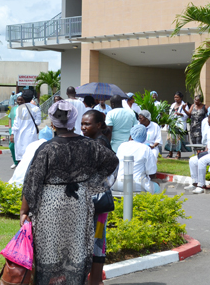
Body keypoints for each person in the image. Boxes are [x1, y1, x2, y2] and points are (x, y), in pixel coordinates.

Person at [20, 101, 118, 285]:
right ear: (74, 122)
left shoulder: (46, 148)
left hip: (50, 207)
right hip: (79, 204)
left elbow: (32, 182)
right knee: (76, 252)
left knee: (49, 253)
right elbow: (112, 162)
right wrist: (89, 184)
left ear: (52, 124)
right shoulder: (90, 146)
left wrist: (24, 211)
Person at [81, 110, 117, 285]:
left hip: (98, 204)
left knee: (97, 240)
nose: (83, 127)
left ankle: (95, 280)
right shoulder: (95, 142)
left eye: (87, 124)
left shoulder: (100, 144)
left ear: (99, 125)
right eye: (82, 123)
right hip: (95, 202)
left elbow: (112, 167)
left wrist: (99, 186)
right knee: (95, 240)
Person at [114, 124, 160, 194]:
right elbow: (151, 173)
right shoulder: (145, 149)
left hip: (117, 183)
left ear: (131, 134)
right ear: (144, 136)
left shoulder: (122, 145)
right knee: (156, 187)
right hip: (137, 185)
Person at [12, 89, 43, 165]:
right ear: (32, 98)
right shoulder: (36, 108)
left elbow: (16, 124)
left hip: (20, 135)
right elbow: (38, 122)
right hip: (31, 135)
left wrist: (12, 134)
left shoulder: (19, 108)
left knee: (21, 159)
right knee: (31, 157)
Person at [167, 91, 188, 159]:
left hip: (179, 124)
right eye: (175, 97)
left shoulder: (184, 105)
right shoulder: (173, 105)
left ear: (181, 98)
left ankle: (178, 154)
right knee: (171, 139)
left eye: (177, 97)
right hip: (172, 124)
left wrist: (181, 114)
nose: (176, 99)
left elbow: (187, 115)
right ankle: (170, 153)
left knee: (178, 140)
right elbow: (170, 114)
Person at [8, 95, 22, 169]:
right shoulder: (13, 108)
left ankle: (21, 162)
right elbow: (10, 118)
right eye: (18, 100)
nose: (19, 101)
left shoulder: (24, 108)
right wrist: (10, 128)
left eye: (21, 100)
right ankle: (15, 162)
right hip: (13, 130)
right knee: (11, 146)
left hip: (21, 131)